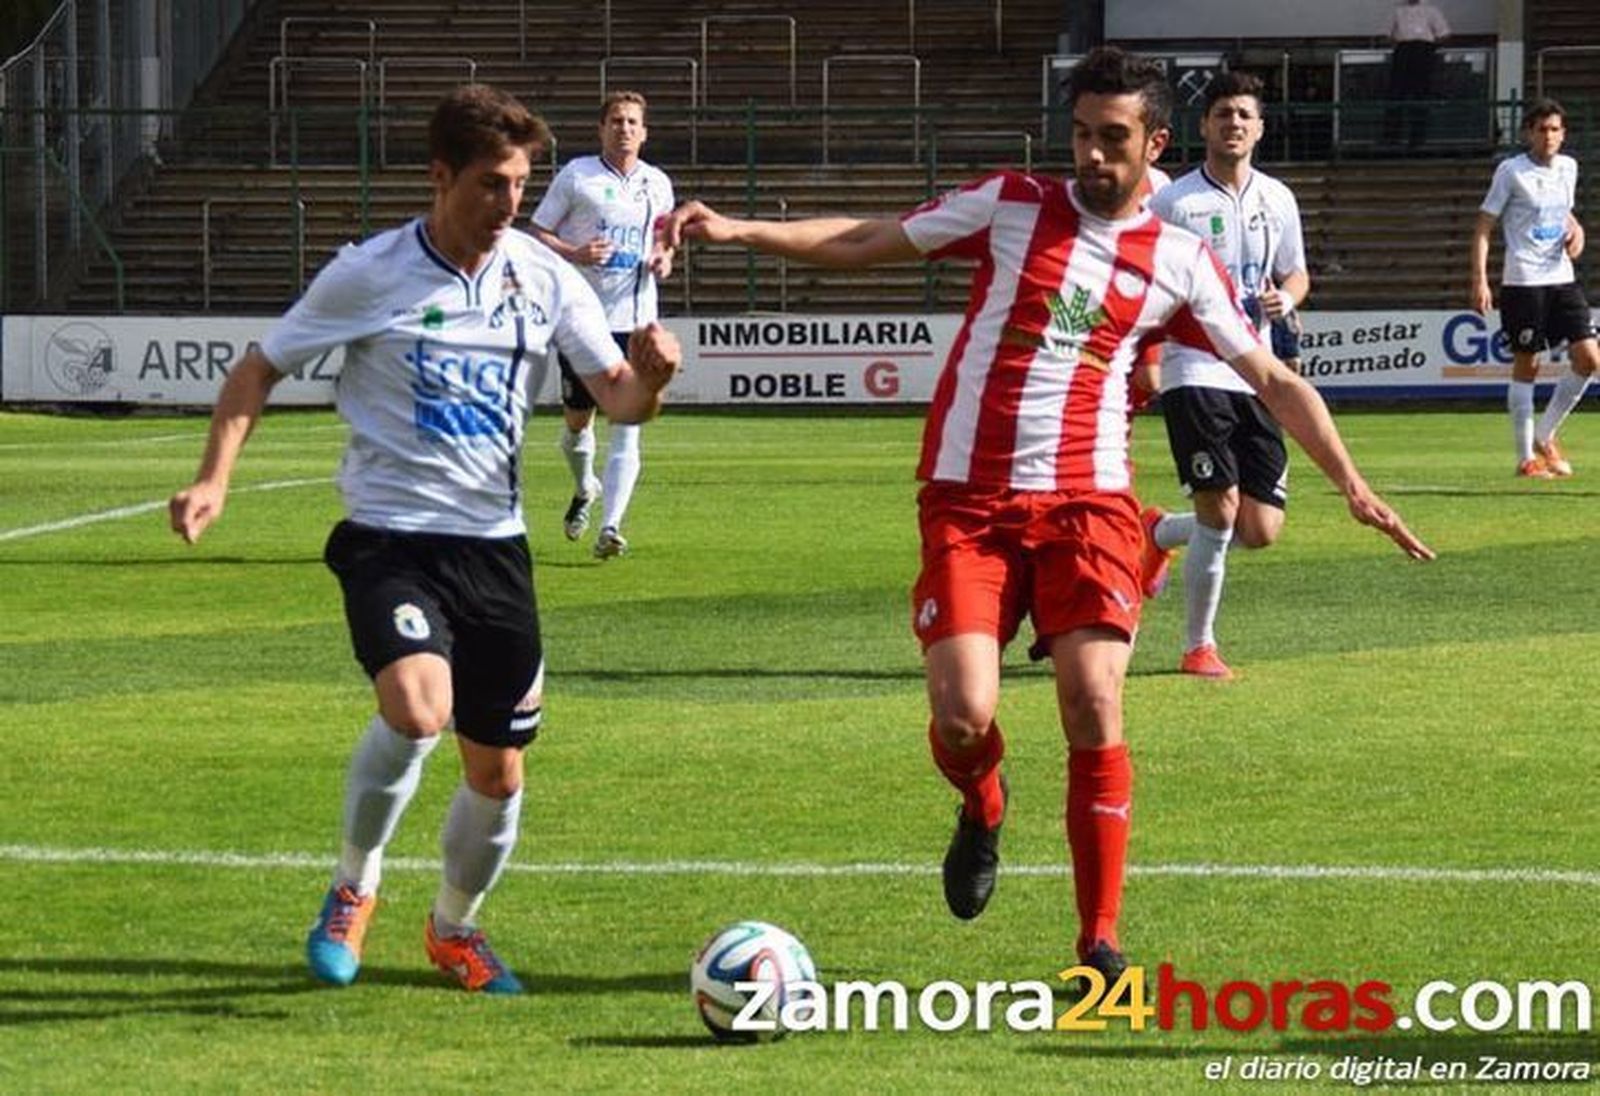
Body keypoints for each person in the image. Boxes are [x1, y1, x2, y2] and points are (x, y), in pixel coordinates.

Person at [660, 46, 1432, 983]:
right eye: (1082, 136)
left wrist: (1352, 484)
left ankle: (1098, 943)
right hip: (969, 500)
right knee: (962, 713)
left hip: (1088, 502)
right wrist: (740, 232)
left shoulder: (1180, 260)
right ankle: (983, 802)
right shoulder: (1011, 202)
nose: (1094, 158)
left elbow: (1271, 376)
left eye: (1115, 140)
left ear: (1154, 144)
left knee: (1094, 700)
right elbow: (871, 239)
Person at [168, 85, 680, 994]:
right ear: (440, 178)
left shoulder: (542, 274)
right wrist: (215, 477)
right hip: (390, 539)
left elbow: (618, 399)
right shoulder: (370, 271)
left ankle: (453, 930)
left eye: (520, 184)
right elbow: (258, 367)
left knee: (500, 769)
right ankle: (351, 888)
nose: (510, 203)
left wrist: (653, 378)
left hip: (496, 550)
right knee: (416, 707)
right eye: (491, 184)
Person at [1143, 71, 1311, 681]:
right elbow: (1146, 284)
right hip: (1195, 368)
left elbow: (1297, 275)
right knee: (1220, 510)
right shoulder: (1174, 202)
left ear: (1259, 127)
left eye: (1244, 114)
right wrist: (1150, 360)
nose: (1233, 123)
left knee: (1260, 528)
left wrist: (1285, 302)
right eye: (1222, 114)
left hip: (1256, 370)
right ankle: (1198, 646)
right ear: (1204, 126)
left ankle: (1157, 533)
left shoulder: (1278, 199)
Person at [530, 90, 676, 559]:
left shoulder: (658, 184)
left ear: (645, 131)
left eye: (633, 121)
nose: (625, 128)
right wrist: (574, 252)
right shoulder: (577, 176)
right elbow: (537, 233)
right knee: (578, 423)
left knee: (629, 421)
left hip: (638, 321)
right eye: (616, 121)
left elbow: (665, 243)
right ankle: (584, 488)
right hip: (583, 320)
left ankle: (611, 526)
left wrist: (663, 259)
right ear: (602, 129)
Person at [1470, 98, 1597, 479]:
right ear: (1529, 133)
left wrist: (1577, 232)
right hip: (1524, 280)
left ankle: (1546, 434)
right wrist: (1479, 279)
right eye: (1541, 129)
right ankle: (1526, 458)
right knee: (1528, 364)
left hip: (1561, 277)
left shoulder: (1569, 168)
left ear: (1563, 133)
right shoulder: (1511, 171)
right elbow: (1483, 226)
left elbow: (1564, 214)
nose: (1549, 136)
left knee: (1590, 359)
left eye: (1555, 129)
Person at [1385, 0, 1450, 148]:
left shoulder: (1431, 10)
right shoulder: (1398, 11)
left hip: (1423, 49)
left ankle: (1417, 139)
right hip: (1403, 50)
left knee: (1420, 94)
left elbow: (1445, 33)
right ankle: (1392, 137)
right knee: (1396, 94)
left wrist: (1431, 46)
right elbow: (1388, 34)